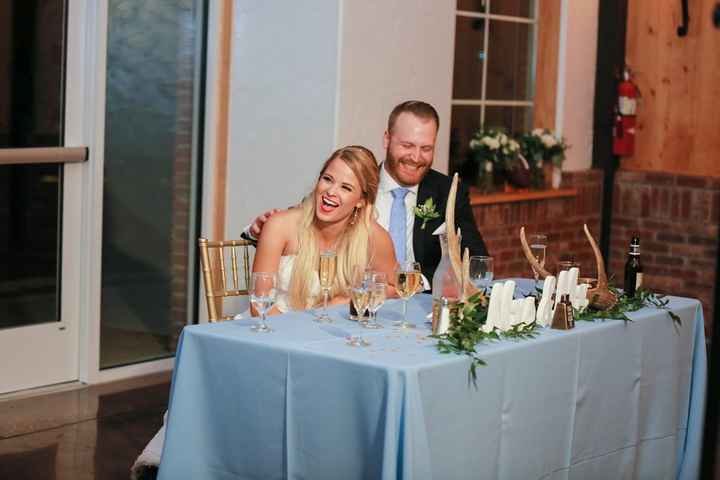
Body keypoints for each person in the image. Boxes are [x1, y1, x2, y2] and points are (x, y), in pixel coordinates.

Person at [246, 101, 488, 283]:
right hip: (351, 304)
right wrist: (259, 229)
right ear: (387, 139)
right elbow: (309, 218)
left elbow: (476, 261)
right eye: (407, 146)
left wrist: (415, 284)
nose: (416, 157)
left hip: (417, 306)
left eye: (426, 148)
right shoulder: (354, 179)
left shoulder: (448, 192)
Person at [252, 145, 397, 313]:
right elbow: (259, 305)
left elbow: (394, 287)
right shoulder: (280, 225)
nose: (331, 191)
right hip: (273, 328)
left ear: (361, 201)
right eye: (328, 179)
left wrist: (348, 298)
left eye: (346, 188)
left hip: (332, 333)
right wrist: (301, 334)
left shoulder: (374, 236)